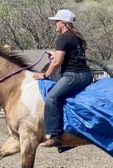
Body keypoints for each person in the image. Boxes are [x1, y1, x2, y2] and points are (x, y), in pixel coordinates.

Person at [33, 9, 93, 147]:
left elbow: (57, 63)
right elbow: (68, 57)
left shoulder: (64, 38)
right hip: (85, 74)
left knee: (51, 99)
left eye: (56, 21)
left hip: (73, 75)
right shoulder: (75, 37)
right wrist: (55, 55)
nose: (55, 23)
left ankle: (55, 135)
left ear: (64, 23)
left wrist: (45, 75)